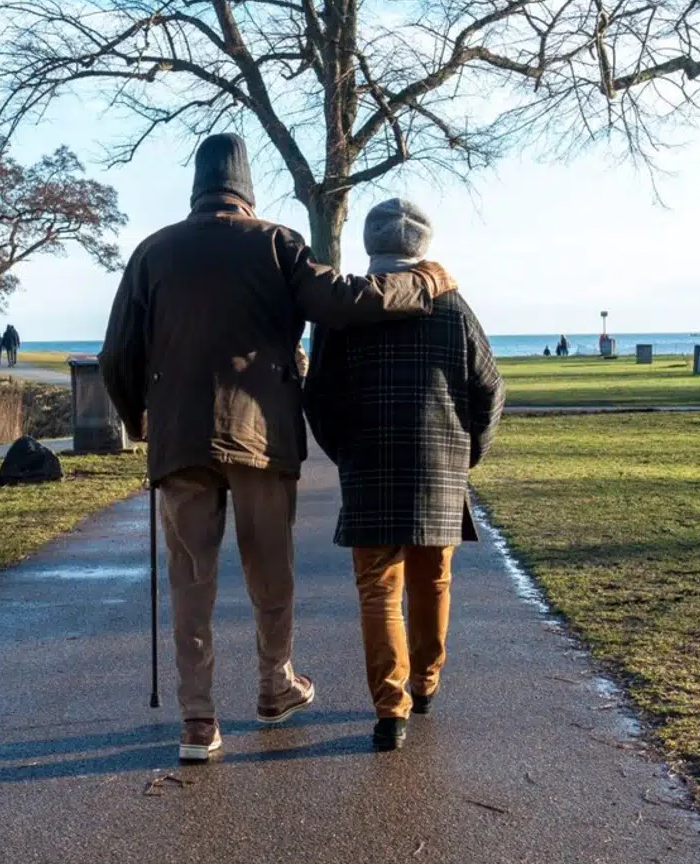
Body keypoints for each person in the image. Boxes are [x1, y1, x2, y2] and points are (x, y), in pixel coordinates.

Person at [99, 133, 456, 764]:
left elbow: (115, 356)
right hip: (260, 436)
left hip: (179, 440)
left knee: (191, 581)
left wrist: (139, 419)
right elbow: (343, 302)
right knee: (270, 571)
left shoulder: (152, 251)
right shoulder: (276, 242)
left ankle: (198, 721)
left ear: (198, 186)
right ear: (246, 188)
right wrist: (422, 285)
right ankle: (274, 684)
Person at [304, 198, 504, 752]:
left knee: (378, 590)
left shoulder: (344, 309)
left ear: (370, 244)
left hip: (368, 462)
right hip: (440, 464)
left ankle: (390, 711)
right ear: (423, 246)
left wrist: (343, 451)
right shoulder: (453, 306)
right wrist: (468, 453)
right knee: (432, 581)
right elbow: (490, 388)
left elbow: (318, 396)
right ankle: (426, 683)